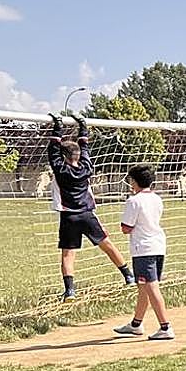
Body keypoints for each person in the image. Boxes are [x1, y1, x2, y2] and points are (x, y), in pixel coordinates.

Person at [47, 112, 135, 301]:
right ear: (78, 155)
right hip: (87, 214)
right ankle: (129, 276)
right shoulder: (86, 167)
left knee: (68, 254)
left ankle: (70, 291)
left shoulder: (60, 169)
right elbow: (85, 146)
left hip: (69, 216)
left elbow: (53, 149)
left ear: (63, 156)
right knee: (107, 245)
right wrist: (83, 126)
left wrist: (58, 126)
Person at [112, 164, 173, 340]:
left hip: (143, 249)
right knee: (144, 287)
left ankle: (165, 327)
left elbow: (126, 228)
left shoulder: (134, 201)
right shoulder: (157, 198)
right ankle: (136, 324)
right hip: (158, 245)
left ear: (134, 181)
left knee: (151, 287)